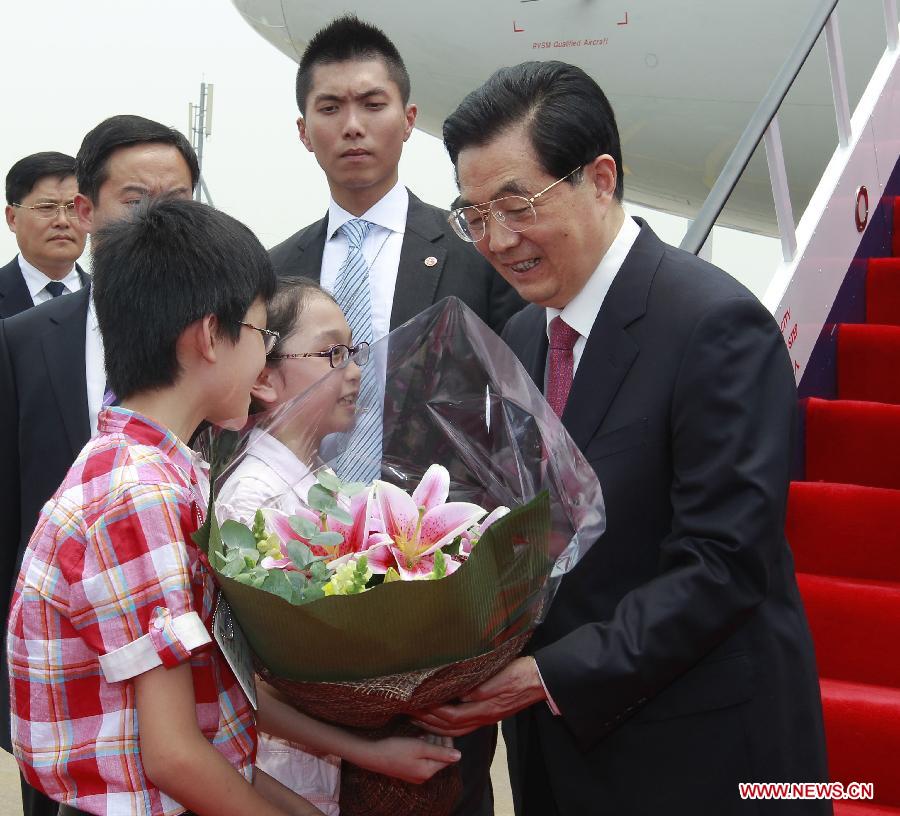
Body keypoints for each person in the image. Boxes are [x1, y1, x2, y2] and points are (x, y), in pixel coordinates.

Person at [414, 61, 831, 815]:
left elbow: (723, 565)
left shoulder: (713, 325)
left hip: (701, 758)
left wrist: (547, 676)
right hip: (562, 759)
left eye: (518, 206)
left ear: (600, 178)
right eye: (473, 216)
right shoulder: (519, 336)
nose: (498, 241)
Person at [6, 197, 461, 816]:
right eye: (261, 335)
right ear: (209, 337)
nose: (262, 360)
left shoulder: (165, 470)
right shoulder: (140, 495)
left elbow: (214, 713)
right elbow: (172, 756)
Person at [0, 115, 202, 816]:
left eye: (178, 204)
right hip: (63, 682)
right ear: (87, 210)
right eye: (139, 203)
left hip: (188, 681)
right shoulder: (22, 344)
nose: (162, 225)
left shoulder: (213, 343)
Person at [217, 278, 368, 815]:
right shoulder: (250, 504)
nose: (353, 370)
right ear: (263, 377)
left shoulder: (319, 478)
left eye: (354, 351)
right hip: (274, 779)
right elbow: (242, 683)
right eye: (332, 353)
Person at [2, 152, 88, 317]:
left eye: (73, 208)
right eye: (46, 207)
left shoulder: (112, 296)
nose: (62, 221)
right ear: (12, 218)